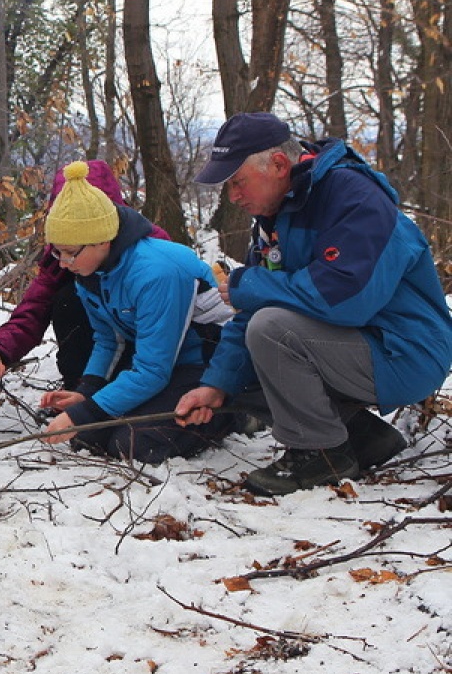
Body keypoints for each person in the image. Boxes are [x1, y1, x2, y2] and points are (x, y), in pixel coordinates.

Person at [176, 112, 452, 495]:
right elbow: (253, 308)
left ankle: (320, 454)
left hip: (404, 350)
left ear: (277, 165)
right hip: (358, 343)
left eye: (237, 182)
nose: (233, 196)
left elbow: (347, 298)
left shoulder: (353, 197)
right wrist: (216, 386)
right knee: (249, 367)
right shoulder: (276, 216)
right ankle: (364, 438)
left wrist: (253, 285)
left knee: (271, 330)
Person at [33, 162, 235, 462]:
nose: (62, 263)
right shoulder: (91, 272)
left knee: (134, 445)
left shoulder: (156, 272)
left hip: (207, 364)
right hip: (165, 363)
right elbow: (109, 341)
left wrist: (83, 414)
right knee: (90, 436)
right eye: (57, 252)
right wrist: (87, 392)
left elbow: (154, 369)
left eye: (69, 253)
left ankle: (230, 415)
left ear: (102, 240)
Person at [0, 160, 170, 389]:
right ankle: (79, 383)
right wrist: (1, 350)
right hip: (101, 353)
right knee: (69, 299)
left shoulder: (151, 253)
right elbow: (33, 310)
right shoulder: (59, 259)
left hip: (152, 353)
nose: (65, 259)